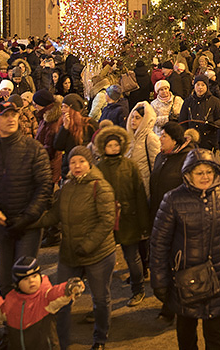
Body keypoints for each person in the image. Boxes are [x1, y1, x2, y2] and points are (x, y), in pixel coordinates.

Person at [150, 148, 220, 347]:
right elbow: (159, 245)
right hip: (184, 279)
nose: (205, 177)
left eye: (209, 172)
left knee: (216, 337)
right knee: (186, 336)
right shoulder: (172, 200)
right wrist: (160, 281)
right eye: (199, 172)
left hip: (218, 277)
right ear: (188, 174)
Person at [33, 145, 117, 350]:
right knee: (62, 299)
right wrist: (29, 222)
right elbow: (55, 215)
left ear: (89, 163)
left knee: (100, 299)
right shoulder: (67, 187)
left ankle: (100, 339)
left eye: (81, 161)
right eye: (73, 162)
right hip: (70, 253)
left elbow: (107, 221)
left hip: (98, 254)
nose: (77, 166)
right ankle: (61, 342)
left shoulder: (101, 186)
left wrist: (88, 245)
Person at [0, 99, 53, 298]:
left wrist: (27, 217)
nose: (10, 119)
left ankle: (26, 324)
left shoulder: (34, 149)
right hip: (1, 226)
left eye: (13, 115)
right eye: (5, 116)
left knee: (25, 278)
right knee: (4, 279)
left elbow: (44, 187)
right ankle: (11, 323)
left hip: (28, 225)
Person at [95, 125, 149, 307]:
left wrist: (144, 221)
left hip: (128, 218)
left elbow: (140, 193)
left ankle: (138, 289)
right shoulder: (99, 167)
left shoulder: (130, 165)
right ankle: (102, 298)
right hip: (106, 220)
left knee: (132, 257)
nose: (113, 148)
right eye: (109, 145)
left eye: (116, 145)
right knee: (104, 260)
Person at [0, 256, 85, 350]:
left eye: (34, 276)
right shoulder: (11, 299)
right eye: (26, 279)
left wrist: (69, 288)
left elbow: (57, 293)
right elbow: (2, 312)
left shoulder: (45, 297)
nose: (31, 281)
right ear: (17, 284)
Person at [179, 76, 220, 152]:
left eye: (203, 85)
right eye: (198, 85)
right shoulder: (188, 101)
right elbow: (182, 120)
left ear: (207, 86)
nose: (200, 88)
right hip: (191, 140)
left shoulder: (215, 101)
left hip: (208, 139)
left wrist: (213, 124)